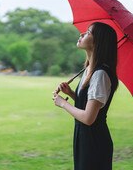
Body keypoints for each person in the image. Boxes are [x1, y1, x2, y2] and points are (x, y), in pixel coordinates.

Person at [52, 22, 119, 170]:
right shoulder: (89, 69)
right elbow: (92, 105)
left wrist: (63, 103)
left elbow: (89, 118)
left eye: (88, 32)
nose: (81, 34)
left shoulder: (100, 74)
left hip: (94, 141)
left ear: (98, 42)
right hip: (85, 137)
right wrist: (70, 93)